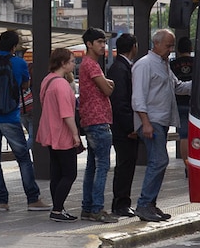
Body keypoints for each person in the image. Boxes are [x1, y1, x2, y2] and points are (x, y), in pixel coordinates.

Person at [131, 29, 192, 223]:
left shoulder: (164, 65)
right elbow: (138, 97)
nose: (171, 50)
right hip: (152, 120)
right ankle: (144, 203)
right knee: (159, 161)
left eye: (172, 46)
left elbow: (178, 87)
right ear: (156, 44)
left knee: (159, 161)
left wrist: (199, 82)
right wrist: (145, 123)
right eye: (168, 46)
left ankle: (149, 203)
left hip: (162, 120)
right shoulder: (144, 65)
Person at [0, 30, 50, 212]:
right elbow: (25, 85)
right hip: (11, 117)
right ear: (14, 47)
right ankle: (32, 199)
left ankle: (2, 201)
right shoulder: (19, 63)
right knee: (23, 158)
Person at [36, 48, 82, 223]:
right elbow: (66, 114)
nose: (74, 63)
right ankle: (57, 208)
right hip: (62, 134)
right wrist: (75, 134)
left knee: (56, 173)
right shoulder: (61, 84)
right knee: (69, 174)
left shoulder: (47, 80)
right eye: (71, 61)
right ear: (63, 63)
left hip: (49, 132)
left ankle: (58, 208)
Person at [78, 28, 117, 223]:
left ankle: (87, 208)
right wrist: (109, 84)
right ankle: (97, 209)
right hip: (99, 121)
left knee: (92, 166)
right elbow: (107, 90)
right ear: (89, 44)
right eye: (100, 42)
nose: (103, 45)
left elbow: (106, 84)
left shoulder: (86, 64)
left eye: (104, 42)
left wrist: (108, 83)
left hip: (90, 121)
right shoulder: (92, 65)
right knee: (102, 166)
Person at [108, 33, 140, 218]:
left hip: (124, 127)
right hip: (123, 129)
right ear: (133, 47)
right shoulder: (120, 69)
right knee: (125, 166)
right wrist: (131, 128)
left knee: (127, 165)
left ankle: (123, 201)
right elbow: (120, 102)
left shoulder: (121, 67)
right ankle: (121, 203)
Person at [169, 36, 195, 161]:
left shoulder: (172, 64)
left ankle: (186, 166)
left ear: (178, 49)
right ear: (191, 48)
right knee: (195, 136)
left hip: (178, 103)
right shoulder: (197, 62)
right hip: (195, 104)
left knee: (183, 135)